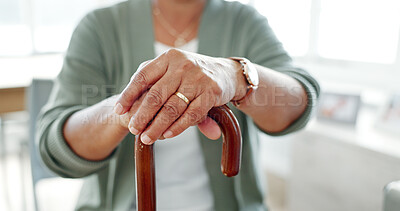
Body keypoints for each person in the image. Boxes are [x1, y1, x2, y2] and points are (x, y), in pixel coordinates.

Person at [37, 0, 320, 210]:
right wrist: (124, 110)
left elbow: (299, 102)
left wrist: (237, 75)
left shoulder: (244, 20)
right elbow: (54, 145)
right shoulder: (100, 26)